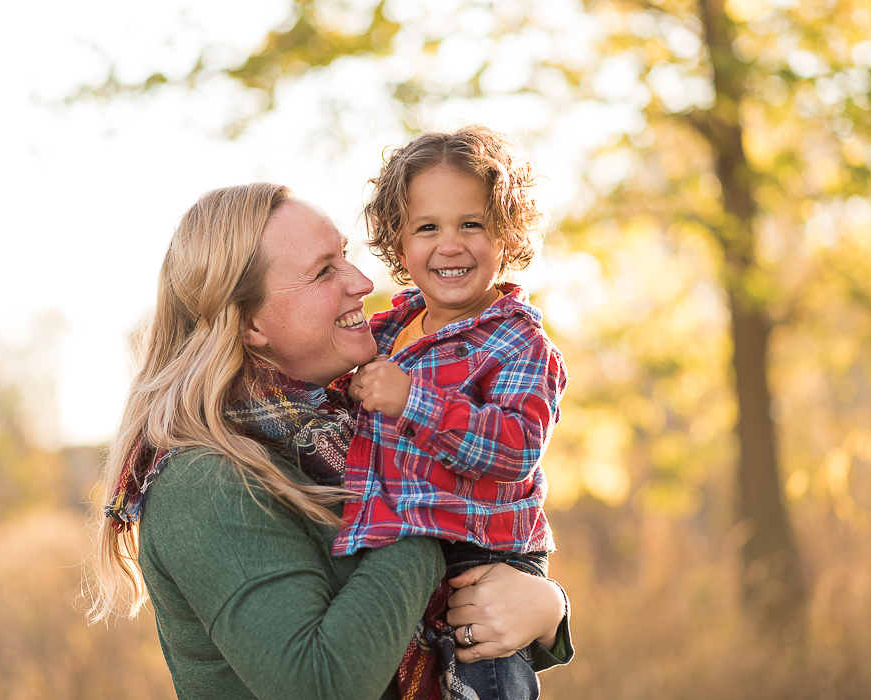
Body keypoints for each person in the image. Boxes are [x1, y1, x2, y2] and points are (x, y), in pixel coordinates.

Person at [86, 183, 573, 700]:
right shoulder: (207, 481)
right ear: (251, 323)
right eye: (324, 271)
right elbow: (319, 685)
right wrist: (423, 517)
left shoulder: (359, 426)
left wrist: (546, 608)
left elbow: (459, 608)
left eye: (345, 256)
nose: (363, 282)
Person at [333, 126, 567, 700]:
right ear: (399, 241)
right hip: (400, 551)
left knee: (484, 681)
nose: (450, 244)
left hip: (485, 557)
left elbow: (514, 448)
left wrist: (414, 400)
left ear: (506, 234)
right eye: (427, 227)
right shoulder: (386, 332)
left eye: (472, 224)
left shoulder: (517, 343)